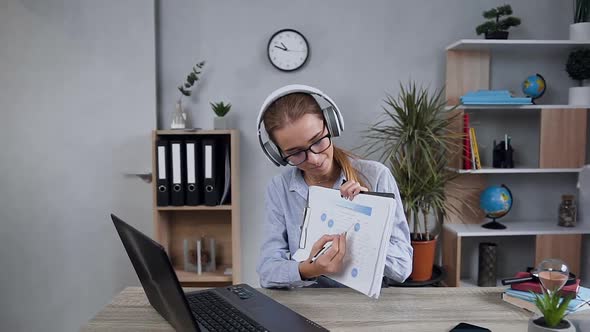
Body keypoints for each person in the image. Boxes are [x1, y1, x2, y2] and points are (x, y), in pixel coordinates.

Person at [256, 86, 412, 288]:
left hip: (365, 310)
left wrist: (368, 226)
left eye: (318, 140)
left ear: (331, 125)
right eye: (295, 153)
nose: (313, 158)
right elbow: (267, 272)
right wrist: (308, 269)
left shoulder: (376, 176)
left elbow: (402, 267)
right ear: (278, 155)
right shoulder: (279, 188)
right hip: (305, 309)